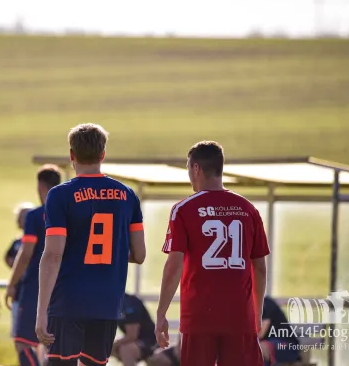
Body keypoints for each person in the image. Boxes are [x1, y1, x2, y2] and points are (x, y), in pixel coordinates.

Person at [35, 123, 146, 366]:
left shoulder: (60, 195)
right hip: (107, 304)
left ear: (72, 155)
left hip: (68, 302)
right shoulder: (128, 195)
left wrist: (41, 310)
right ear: (103, 154)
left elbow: (53, 255)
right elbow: (139, 254)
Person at [155, 141, 270, 366]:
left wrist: (161, 313)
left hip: (199, 319)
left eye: (189, 169)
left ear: (196, 168)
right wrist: (255, 313)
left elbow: (174, 266)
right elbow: (260, 268)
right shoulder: (248, 209)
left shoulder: (183, 209)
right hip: (240, 318)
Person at [5, 165, 61, 366]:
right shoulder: (71, 213)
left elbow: (26, 252)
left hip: (36, 287)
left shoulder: (36, 216)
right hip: (64, 286)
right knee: (55, 347)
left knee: (24, 343)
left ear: (40, 186)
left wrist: (12, 283)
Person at [4, 202, 34, 339]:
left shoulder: (39, 240)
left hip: (34, 291)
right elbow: (8, 258)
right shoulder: (17, 242)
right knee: (19, 334)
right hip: (19, 292)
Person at [112, 293, 157, 366]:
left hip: (152, 341)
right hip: (135, 340)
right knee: (101, 346)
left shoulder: (129, 302)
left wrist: (114, 345)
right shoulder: (111, 302)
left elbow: (132, 336)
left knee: (125, 349)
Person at [259, 296, 301, 366]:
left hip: (287, 346)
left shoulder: (265, 303)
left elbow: (260, 334)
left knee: (259, 349)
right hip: (269, 346)